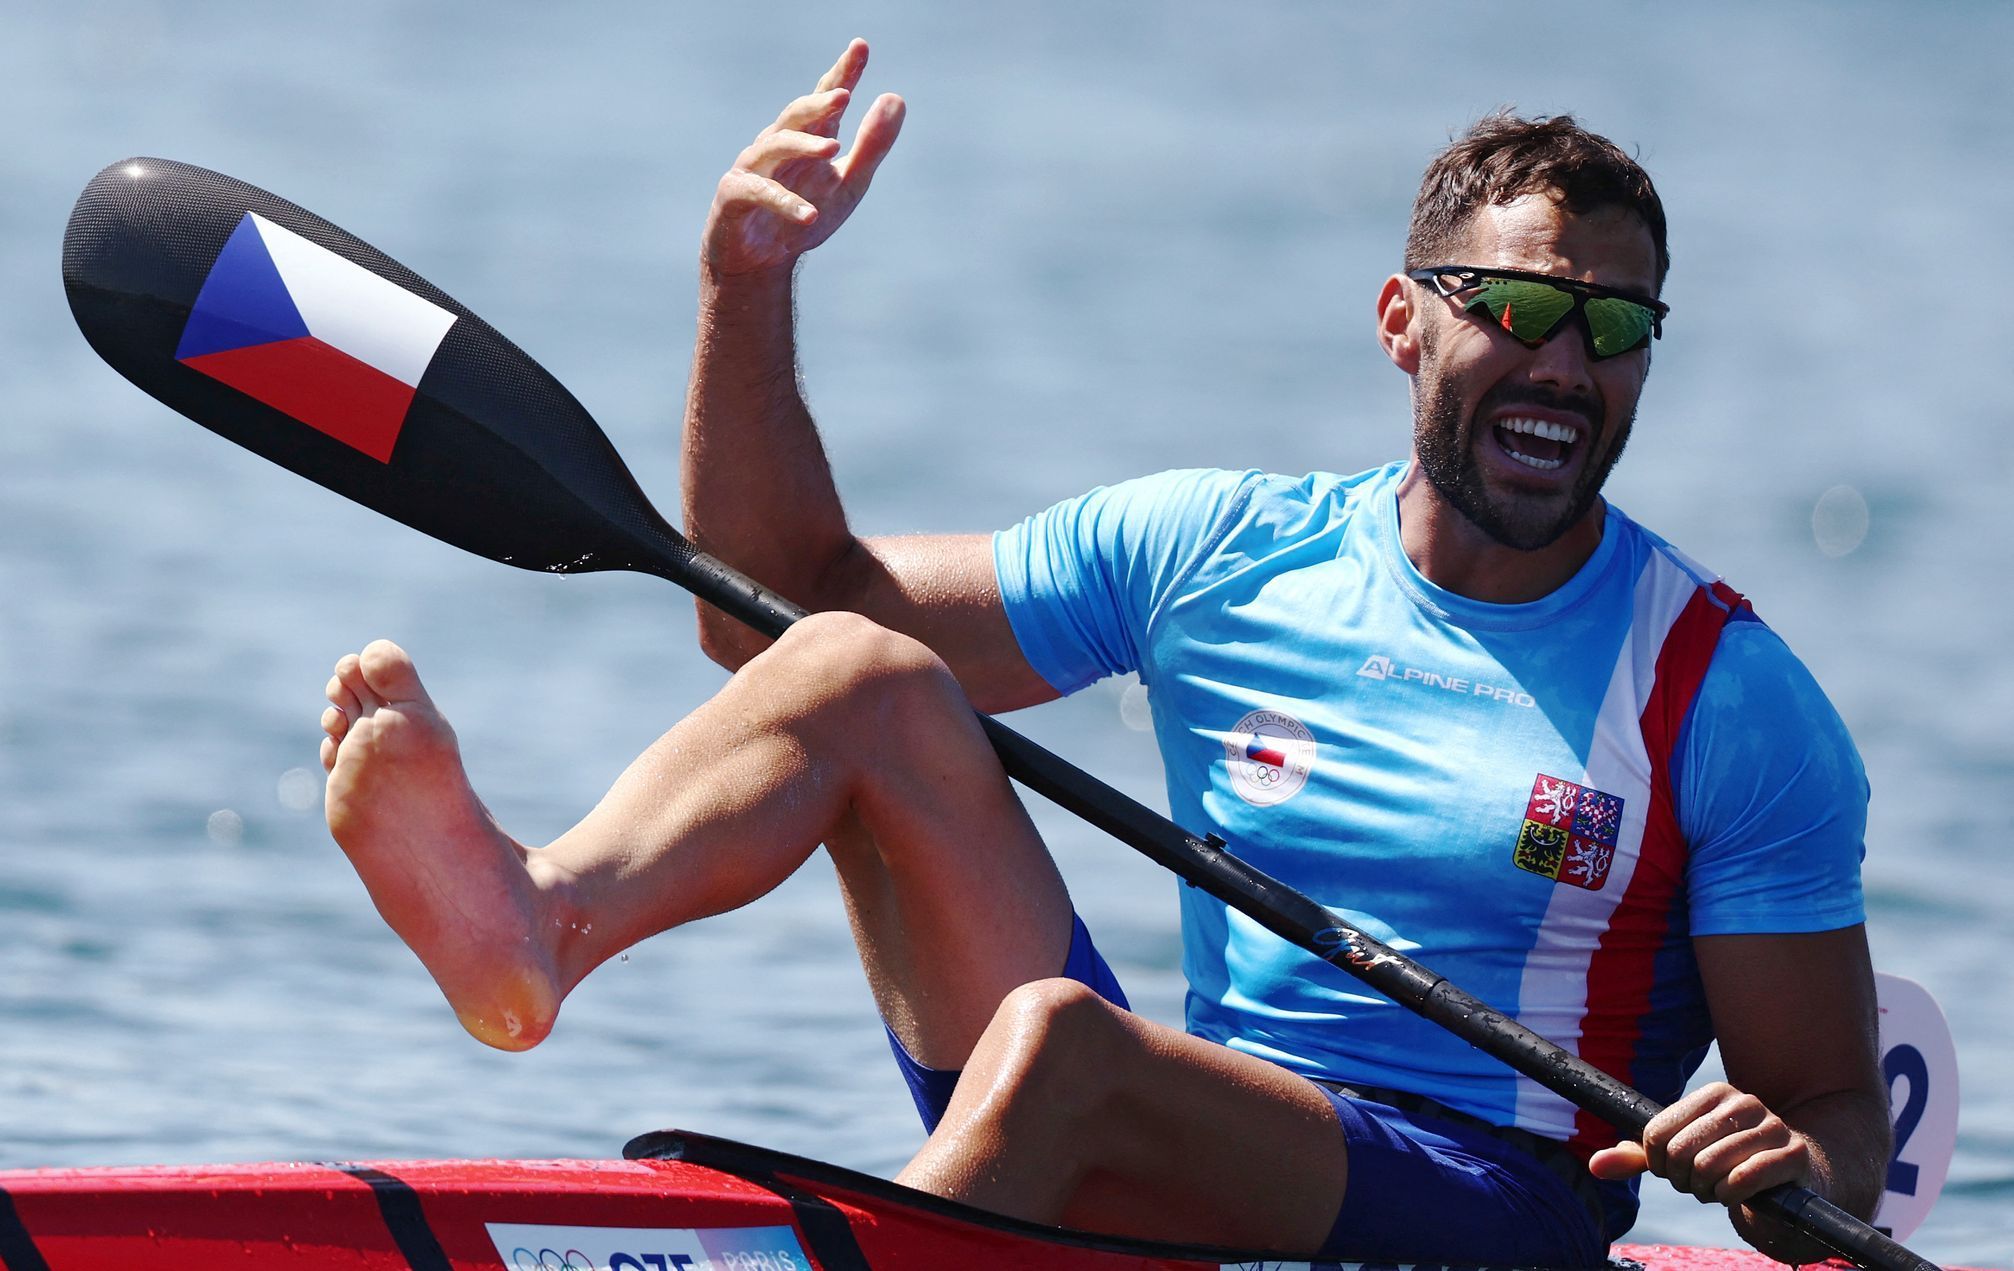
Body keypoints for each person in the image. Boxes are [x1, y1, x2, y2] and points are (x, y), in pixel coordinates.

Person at [317, 39, 1889, 1265]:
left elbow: (1829, 1117)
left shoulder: (1723, 700)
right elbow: (762, 613)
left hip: (1493, 1205)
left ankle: (910, 1242)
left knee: (1063, 1049)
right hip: (1191, 1148)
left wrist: (1784, 1166)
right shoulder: (1224, 550)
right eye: (1520, 308)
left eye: (1614, 329)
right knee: (857, 672)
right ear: (1402, 321)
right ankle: (541, 922)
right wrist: (747, 286)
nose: (1566, 363)